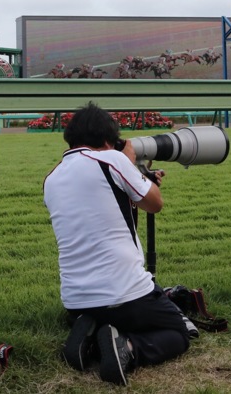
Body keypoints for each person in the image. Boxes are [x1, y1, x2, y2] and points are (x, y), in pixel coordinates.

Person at [43, 102, 190, 387]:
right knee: (177, 332)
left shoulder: (52, 177)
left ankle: (90, 338)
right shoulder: (112, 160)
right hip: (124, 295)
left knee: (109, 316)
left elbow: (101, 205)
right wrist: (129, 164)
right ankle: (128, 350)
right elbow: (155, 204)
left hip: (76, 301)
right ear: (108, 140)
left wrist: (139, 178)